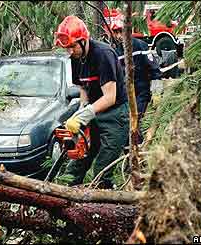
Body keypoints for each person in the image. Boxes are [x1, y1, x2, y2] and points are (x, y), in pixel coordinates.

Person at [54, 16, 129, 189]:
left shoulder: (103, 54)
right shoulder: (75, 57)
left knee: (102, 167)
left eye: (73, 46)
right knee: (79, 159)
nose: (70, 51)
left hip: (115, 114)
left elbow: (110, 97)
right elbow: (83, 87)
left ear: (83, 40)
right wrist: (81, 109)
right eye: (67, 48)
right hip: (94, 110)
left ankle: (104, 203)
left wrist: (85, 115)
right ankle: (65, 196)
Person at [109, 13, 162, 144]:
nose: (119, 36)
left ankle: (138, 150)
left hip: (141, 93)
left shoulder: (141, 46)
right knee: (127, 124)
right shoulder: (115, 52)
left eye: (121, 31)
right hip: (125, 96)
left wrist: (156, 92)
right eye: (116, 32)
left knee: (135, 120)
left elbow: (155, 71)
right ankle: (131, 152)